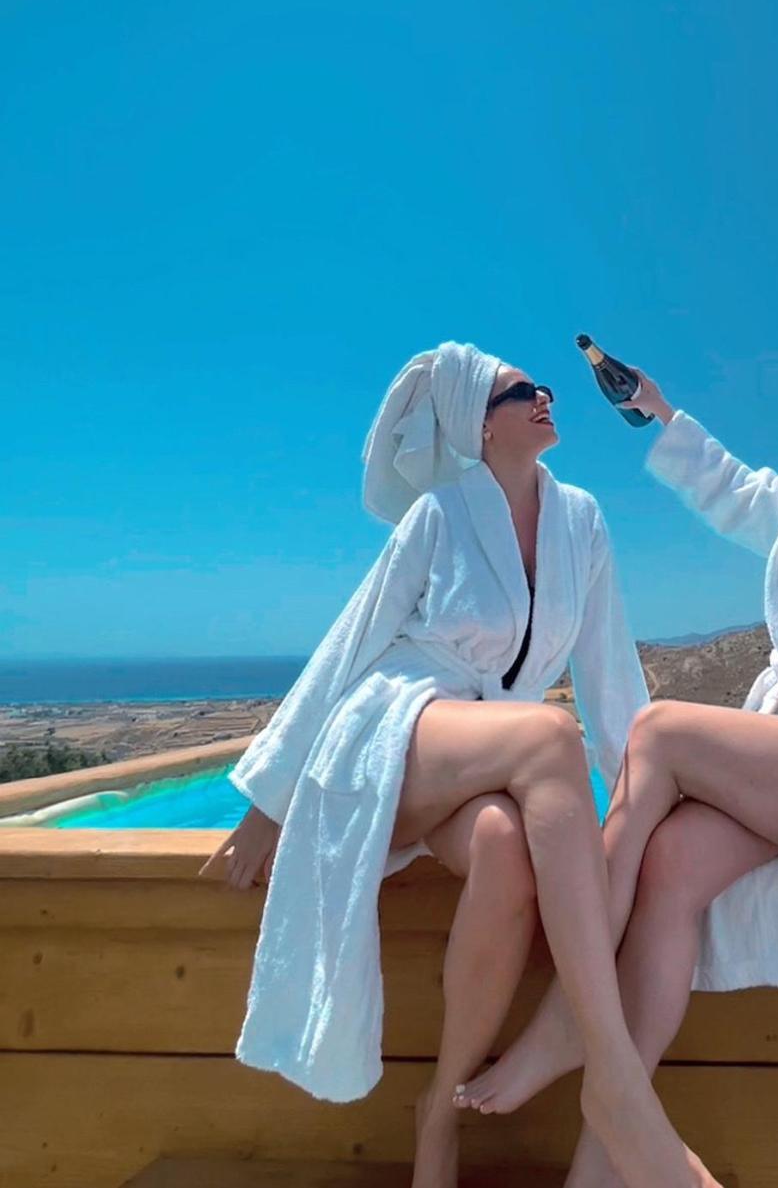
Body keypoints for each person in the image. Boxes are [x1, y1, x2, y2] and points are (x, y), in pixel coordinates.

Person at [460, 320, 778, 1188]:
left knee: (658, 730)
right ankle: (602, 1157)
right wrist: (660, 411)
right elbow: (735, 489)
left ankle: (565, 1020)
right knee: (668, 863)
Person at [200, 342, 719, 1188]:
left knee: (505, 848)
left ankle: (439, 1111)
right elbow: (350, 641)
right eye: (521, 391)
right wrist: (270, 797)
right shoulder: (439, 513)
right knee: (548, 735)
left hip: (485, 751)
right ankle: (612, 1073)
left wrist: (648, 792)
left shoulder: (581, 520)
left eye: (542, 387)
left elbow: (608, 669)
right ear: (480, 424)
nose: (546, 396)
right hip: (396, 727)